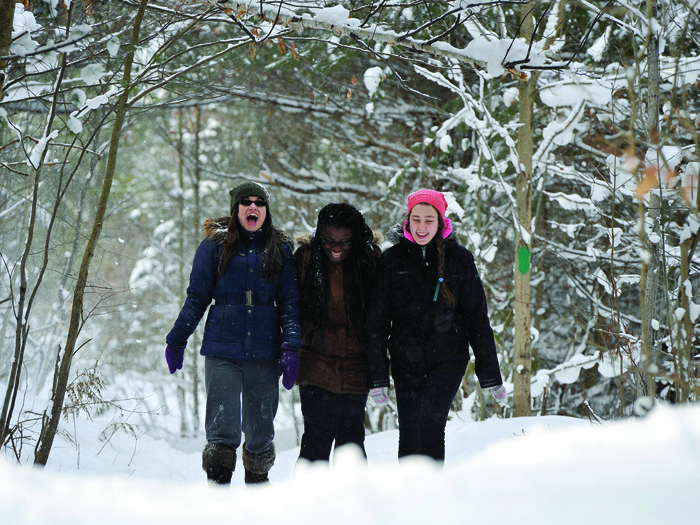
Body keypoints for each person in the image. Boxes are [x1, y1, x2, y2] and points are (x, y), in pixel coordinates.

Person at [164, 181, 301, 485]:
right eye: (246, 202)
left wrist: (291, 345)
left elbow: (290, 301)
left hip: (265, 351)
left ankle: (257, 498)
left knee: (260, 432)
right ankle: (218, 497)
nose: (253, 207)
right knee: (222, 429)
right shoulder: (214, 246)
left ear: (266, 210)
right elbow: (197, 297)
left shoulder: (280, 249)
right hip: (222, 349)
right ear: (236, 208)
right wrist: (177, 338)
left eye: (260, 203)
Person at [367, 188, 506, 462]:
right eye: (416, 219)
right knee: (409, 431)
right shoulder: (392, 260)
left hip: (449, 358)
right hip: (405, 359)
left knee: (430, 425)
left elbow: (477, 317)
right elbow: (377, 321)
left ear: (441, 221)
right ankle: (410, 496)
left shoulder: (460, 259)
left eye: (429, 220)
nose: (421, 227)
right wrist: (378, 377)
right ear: (407, 220)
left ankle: (430, 496)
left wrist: (489, 373)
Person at [294, 203, 382, 463]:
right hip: (315, 361)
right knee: (316, 439)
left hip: (356, 363)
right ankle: (308, 500)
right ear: (319, 235)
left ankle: (352, 502)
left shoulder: (370, 259)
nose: (336, 248)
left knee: (351, 441)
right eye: (329, 241)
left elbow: (383, 311)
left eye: (344, 243)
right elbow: (290, 305)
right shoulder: (305, 259)